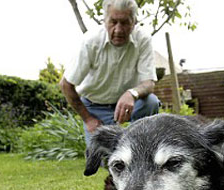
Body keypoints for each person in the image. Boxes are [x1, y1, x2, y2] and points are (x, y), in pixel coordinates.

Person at [60, 0, 160, 145]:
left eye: (125, 23)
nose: (118, 30)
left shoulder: (143, 40)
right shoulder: (90, 41)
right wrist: (88, 119)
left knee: (150, 102)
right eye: (113, 22)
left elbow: (149, 83)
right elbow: (66, 85)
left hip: (129, 106)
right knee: (103, 158)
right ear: (104, 21)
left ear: (134, 22)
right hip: (94, 107)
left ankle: (141, 142)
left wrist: (132, 93)